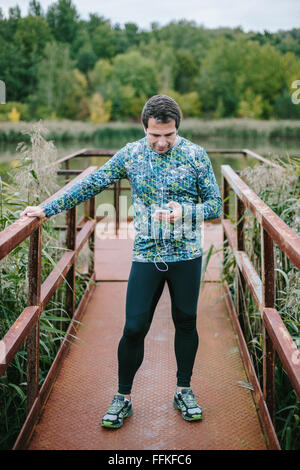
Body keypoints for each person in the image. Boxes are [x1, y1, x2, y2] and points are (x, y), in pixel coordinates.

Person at [20, 95, 222, 429]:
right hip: (146, 255)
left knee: (186, 321)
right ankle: (123, 397)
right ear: (144, 127)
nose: (161, 142)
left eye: (168, 135)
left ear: (177, 129)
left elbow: (215, 205)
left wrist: (185, 212)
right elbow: (93, 183)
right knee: (134, 327)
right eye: (154, 135)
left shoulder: (196, 155)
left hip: (187, 255)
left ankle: (183, 390)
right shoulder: (131, 153)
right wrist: (46, 208)